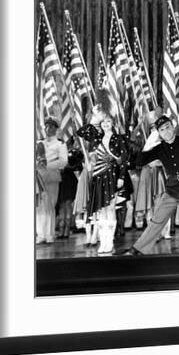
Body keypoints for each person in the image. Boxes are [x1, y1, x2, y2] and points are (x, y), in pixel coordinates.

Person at [128, 115, 179, 255]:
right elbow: (139, 161)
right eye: (162, 130)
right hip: (173, 187)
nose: (166, 131)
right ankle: (138, 248)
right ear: (159, 133)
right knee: (158, 218)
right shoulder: (159, 148)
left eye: (168, 127)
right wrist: (148, 145)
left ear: (173, 127)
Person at [77, 105, 129, 254]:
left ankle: (110, 242)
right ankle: (103, 241)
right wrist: (96, 116)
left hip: (112, 176)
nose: (105, 124)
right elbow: (81, 132)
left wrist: (121, 178)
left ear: (113, 122)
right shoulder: (96, 137)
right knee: (101, 211)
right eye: (103, 122)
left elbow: (124, 160)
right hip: (98, 177)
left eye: (108, 121)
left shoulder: (119, 139)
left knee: (110, 209)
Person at [35, 118, 68, 244]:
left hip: (52, 175)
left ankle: (49, 234)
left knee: (50, 205)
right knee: (39, 206)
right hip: (39, 176)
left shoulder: (60, 144)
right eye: (46, 127)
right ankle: (40, 234)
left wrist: (47, 164)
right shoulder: (39, 143)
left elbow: (63, 161)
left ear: (56, 129)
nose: (48, 129)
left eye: (51, 127)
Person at [56, 136, 84, 239]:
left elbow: (78, 165)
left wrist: (68, 166)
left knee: (67, 204)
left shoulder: (73, 153)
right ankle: (61, 229)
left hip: (69, 180)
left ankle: (67, 229)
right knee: (61, 205)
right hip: (59, 180)